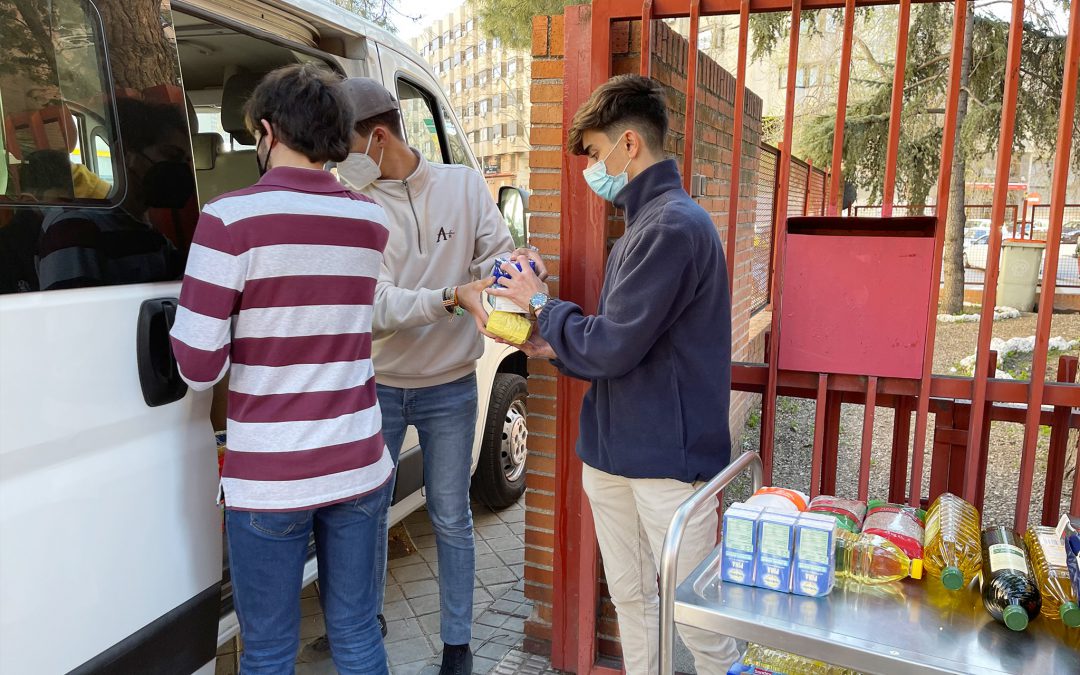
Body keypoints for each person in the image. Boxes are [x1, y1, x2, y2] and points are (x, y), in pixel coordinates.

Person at [483, 74, 740, 674]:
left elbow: (616, 343)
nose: (592, 169)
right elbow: (621, 339)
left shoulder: (672, 226)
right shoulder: (646, 225)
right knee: (632, 597)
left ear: (629, 144)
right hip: (617, 449)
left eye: (596, 153)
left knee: (695, 613)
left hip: (668, 462)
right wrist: (545, 341)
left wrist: (541, 304)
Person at [169, 64, 394, 675]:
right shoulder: (370, 220)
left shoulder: (229, 220)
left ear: (267, 132)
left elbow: (196, 365)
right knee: (356, 635)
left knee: (267, 651)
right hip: (358, 460)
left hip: (270, 477)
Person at [325, 76, 516, 674]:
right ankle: (364, 623)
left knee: (451, 515)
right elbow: (374, 307)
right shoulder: (352, 206)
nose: (338, 165)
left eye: (343, 149)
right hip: (375, 386)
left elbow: (500, 255)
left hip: (451, 383)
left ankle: (457, 645)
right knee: (366, 514)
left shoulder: (462, 187)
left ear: (378, 137)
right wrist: (452, 297)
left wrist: (515, 276)